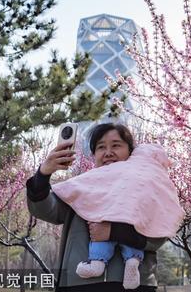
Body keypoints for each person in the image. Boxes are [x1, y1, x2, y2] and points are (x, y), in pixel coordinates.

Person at [26, 123, 167, 292]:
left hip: (134, 285)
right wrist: (43, 175)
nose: (108, 152)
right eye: (101, 147)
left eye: (116, 145)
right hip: (80, 283)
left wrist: (114, 231)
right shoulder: (80, 188)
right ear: (94, 154)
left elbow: (160, 234)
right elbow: (46, 210)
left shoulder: (148, 186)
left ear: (131, 151)